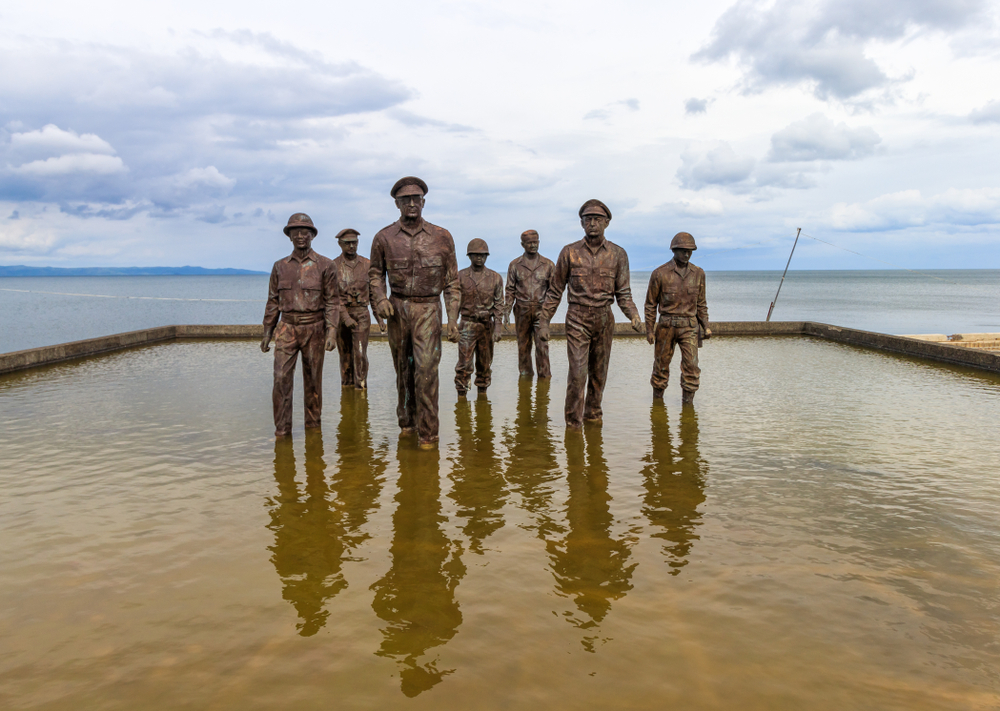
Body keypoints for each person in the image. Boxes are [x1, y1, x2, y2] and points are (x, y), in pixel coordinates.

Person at [368, 177, 460, 449]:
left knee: (426, 370)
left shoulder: (442, 236)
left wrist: (453, 318)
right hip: (398, 310)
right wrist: (381, 298)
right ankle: (407, 423)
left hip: (429, 308)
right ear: (396, 204)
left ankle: (428, 435)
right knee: (403, 370)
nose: (411, 203)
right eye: (405, 199)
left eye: (416, 198)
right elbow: (375, 275)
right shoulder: (383, 238)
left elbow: (452, 282)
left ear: (423, 202)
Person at [539, 199, 643, 428]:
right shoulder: (569, 252)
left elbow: (623, 293)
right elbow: (555, 290)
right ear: (581, 223)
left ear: (606, 222)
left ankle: (593, 419)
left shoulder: (618, 254)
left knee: (599, 374)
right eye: (588, 220)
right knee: (577, 373)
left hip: (605, 319)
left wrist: (634, 315)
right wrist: (544, 321)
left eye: (597, 219)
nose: (593, 224)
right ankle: (573, 425)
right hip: (577, 318)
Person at [261, 213, 340, 437]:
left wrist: (331, 331)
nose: (300, 235)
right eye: (295, 231)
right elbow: (272, 301)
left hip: (314, 328)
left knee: (313, 382)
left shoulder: (326, 265)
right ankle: (282, 431)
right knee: (280, 378)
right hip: (286, 328)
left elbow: (333, 301)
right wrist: (268, 331)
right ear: (289, 236)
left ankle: (313, 431)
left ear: (312, 235)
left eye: (305, 231)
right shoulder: (279, 267)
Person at [644, 232, 710, 405]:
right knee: (661, 367)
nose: (686, 254)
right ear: (674, 250)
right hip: (666, 326)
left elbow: (701, 303)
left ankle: (688, 409)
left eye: (690, 251)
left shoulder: (698, 274)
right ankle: (657, 406)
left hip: (689, 327)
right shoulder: (659, 274)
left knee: (692, 367)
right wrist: (649, 330)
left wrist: (706, 325)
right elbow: (650, 305)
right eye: (682, 250)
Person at [455, 238, 503, 397]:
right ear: (469, 256)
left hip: (486, 327)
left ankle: (483, 398)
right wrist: (452, 326)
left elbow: (498, 305)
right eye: (476, 255)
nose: (479, 258)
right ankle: (462, 399)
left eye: (482, 255)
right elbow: (454, 303)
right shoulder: (460, 276)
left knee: (484, 364)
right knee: (464, 365)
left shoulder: (496, 278)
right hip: (467, 324)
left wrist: (498, 327)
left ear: (487, 256)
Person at [504, 229, 555, 378]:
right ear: (522, 244)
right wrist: (506, 312)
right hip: (522, 311)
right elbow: (510, 291)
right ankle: (525, 380)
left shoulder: (548, 265)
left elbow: (553, 292)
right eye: (529, 243)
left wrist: (548, 312)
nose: (533, 245)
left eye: (535, 242)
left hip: (541, 311)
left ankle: (544, 382)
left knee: (542, 346)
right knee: (523, 347)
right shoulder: (515, 265)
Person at [332, 228, 379, 390]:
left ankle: (361, 388)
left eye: (354, 242)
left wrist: (379, 318)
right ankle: (346, 389)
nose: (351, 246)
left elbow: (373, 293)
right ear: (340, 244)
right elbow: (332, 297)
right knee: (344, 355)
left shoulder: (367, 264)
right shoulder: (333, 266)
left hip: (361, 314)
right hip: (341, 316)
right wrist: (345, 317)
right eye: (347, 243)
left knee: (359, 353)